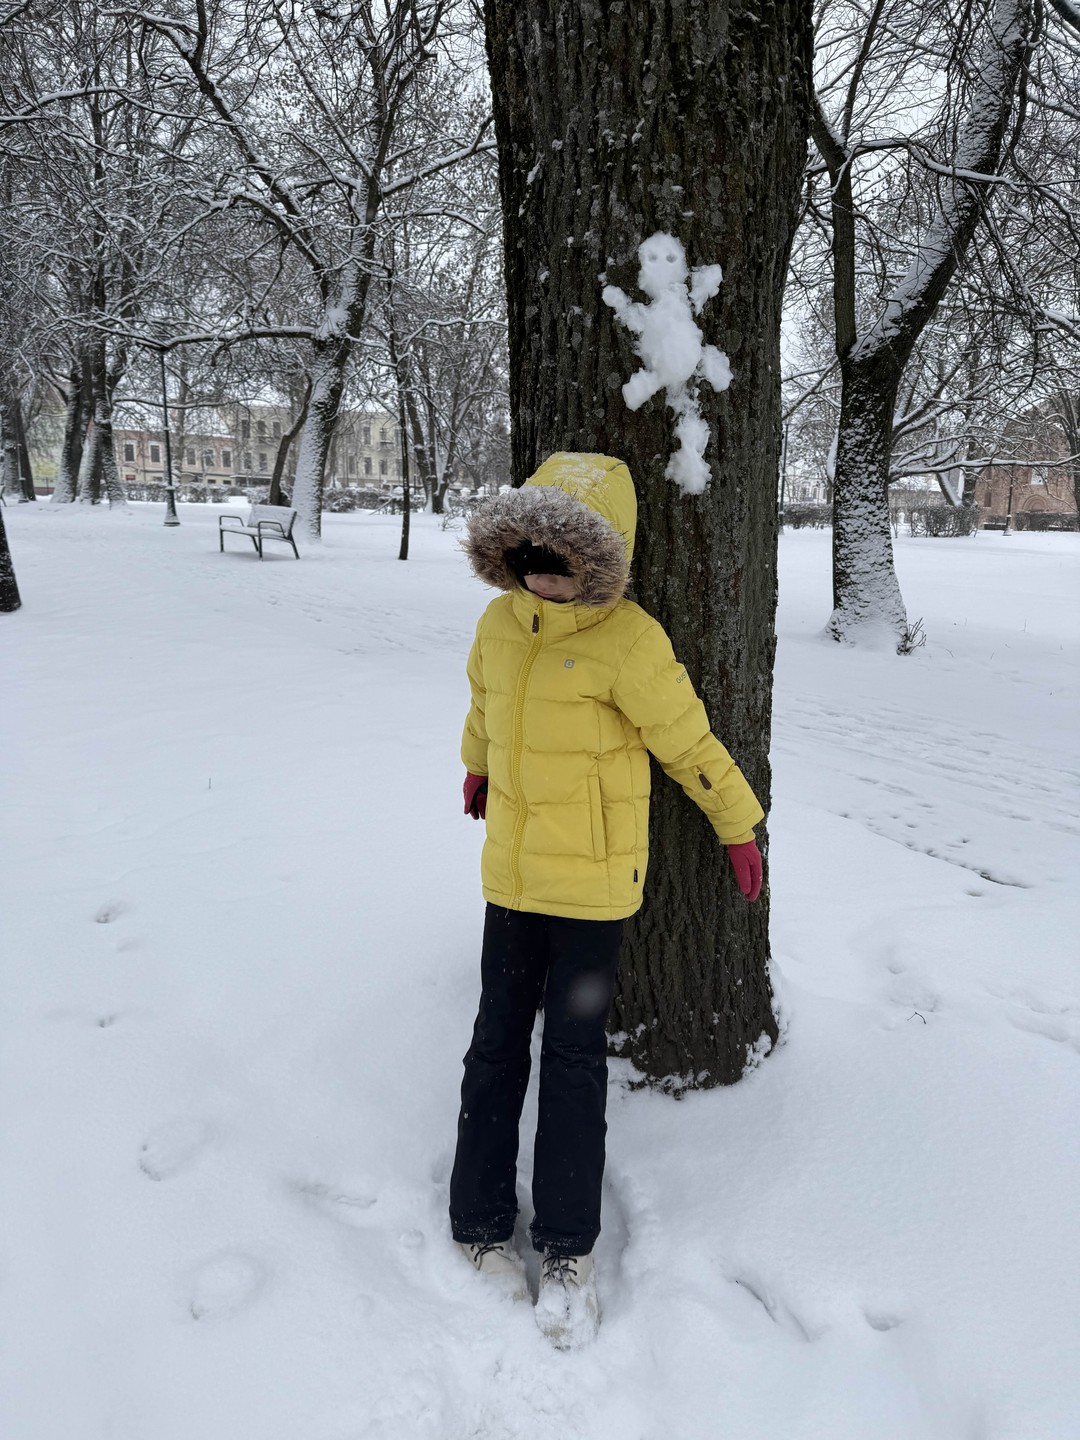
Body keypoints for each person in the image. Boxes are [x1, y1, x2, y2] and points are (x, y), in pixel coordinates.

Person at [450, 451, 764, 1347]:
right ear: (510, 546)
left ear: (604, 557)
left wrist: (736, 825)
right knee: (496, 1046)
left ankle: (568, 1247)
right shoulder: (497, 624)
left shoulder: (630, 640)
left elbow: (686, 738)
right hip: (510, 880)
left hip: (591, 889)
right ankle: (476, 1226)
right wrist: (475, 767)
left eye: (568, 552)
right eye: (531, 547)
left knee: (575, 1064)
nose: (545, 567)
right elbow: (481, 706)